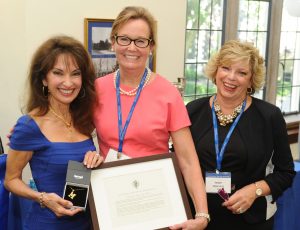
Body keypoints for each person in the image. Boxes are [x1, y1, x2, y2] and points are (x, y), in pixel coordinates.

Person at [93, 6, 209, 230]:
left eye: (141, 41)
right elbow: (75, 138)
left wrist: (202, 214)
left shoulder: (168, 94)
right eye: (124, 39)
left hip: (155, 206)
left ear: (151, 46)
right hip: (111, 206)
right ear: (113, 42)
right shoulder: (96, 89)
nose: (132, 48)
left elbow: (187, 159)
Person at [186, 40, 296, 230]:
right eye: (226, 68)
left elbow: (285, 172)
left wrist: (255, 190)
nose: (231, 77)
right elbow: (181, 162)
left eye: (242, 72)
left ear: (251, 79)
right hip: (199, 217)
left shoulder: (269, 116)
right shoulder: (193, 111)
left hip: (250, 219)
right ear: (216, 71)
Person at [4, 35, 103, 230]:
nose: (68, 83)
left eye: (75, 74)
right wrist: (42, 198)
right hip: (47, 224)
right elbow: (10, 180)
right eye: (58, 73)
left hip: (87, 224)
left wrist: (95, 160)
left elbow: (79, 166)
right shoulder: (29, 126)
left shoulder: (84, 120)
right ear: (43, 78)